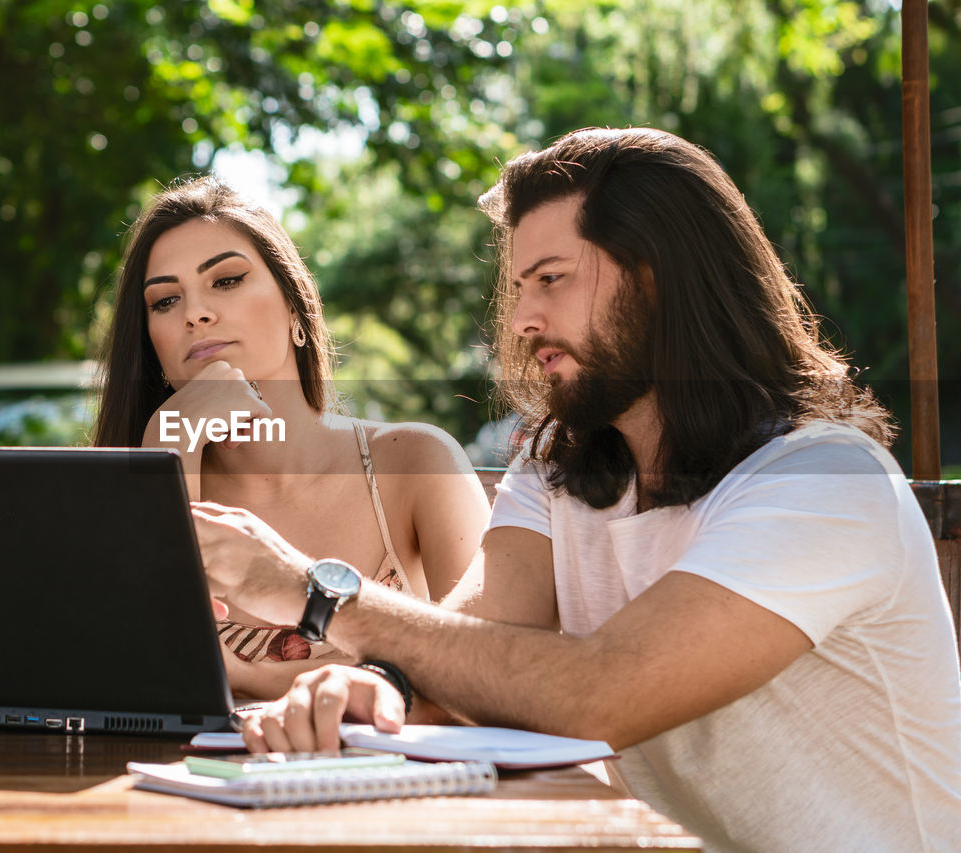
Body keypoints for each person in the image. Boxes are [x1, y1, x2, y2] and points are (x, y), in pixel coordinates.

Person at [192, 128, 961, 852]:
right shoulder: (560, 468)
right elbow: (474, 639)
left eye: (551, 280)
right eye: (520, 285)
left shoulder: (822, 482)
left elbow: (604, 691)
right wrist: (374, 686)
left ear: (660, 280)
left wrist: (311, 589)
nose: (523, 318)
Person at [92, 176, 490, 700]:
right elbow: (131, 682)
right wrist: (172, 440)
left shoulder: (417, 461)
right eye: (165, 301)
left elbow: (490, 664)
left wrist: (255, 678)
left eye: (227, 280)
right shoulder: (131, 482)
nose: (195, 313)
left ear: (295, 310)